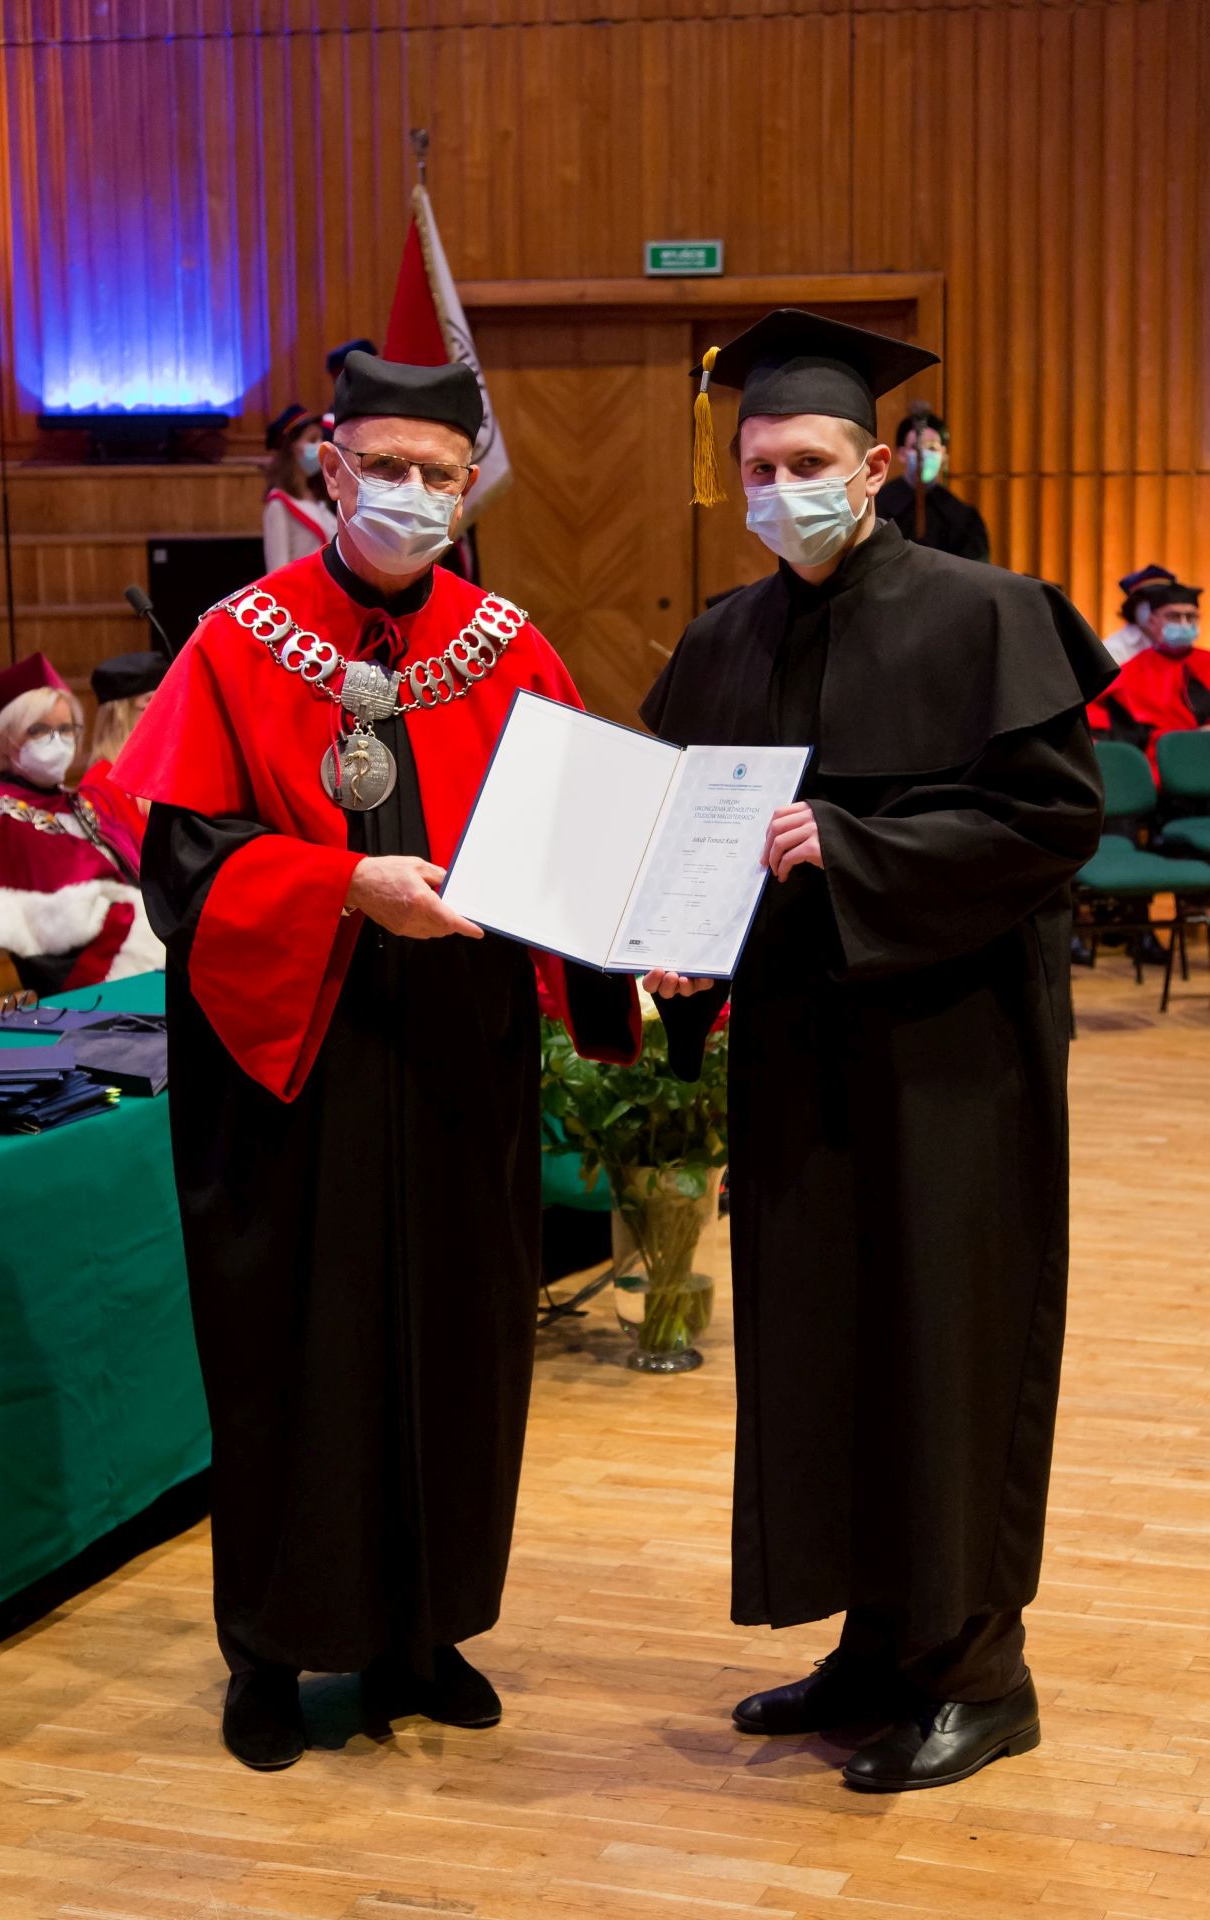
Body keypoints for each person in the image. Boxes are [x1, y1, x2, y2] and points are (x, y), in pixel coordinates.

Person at [111, 350, 639, 1773]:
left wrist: (639, 934)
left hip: (459, 1052)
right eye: (385, 467)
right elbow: (182, 864)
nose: (410, 493)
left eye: (438, 474)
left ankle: (425, 1635)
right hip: (292, 1062)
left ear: (470, 489)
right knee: (292, 1349)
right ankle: (270, 1655)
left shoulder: (509, 645)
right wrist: (345, 886)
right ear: (331, 468)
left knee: (460, 1340)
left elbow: (577, 840)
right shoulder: (238, 640)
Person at [642, 310, 1115, 1793]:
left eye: (810, 461)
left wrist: (851, 848)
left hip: (953, 1054)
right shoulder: (722, 639)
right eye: (758, 466)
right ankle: (869, 1643)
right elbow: (691, 840)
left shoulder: (988, 614)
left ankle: (978, 1672)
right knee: (823, 1339)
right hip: (800, 1058)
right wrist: (675, 947)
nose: (784, 488)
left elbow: (1052, 823)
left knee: (947, 1341)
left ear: (875, 465)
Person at [0, 653, 163, 992]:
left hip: (127, 940)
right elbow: (44, 939)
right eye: (40, 730)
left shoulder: (68, 801)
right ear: (7, 739)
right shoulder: (5, 817)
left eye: (66, 730)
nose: (57, 740)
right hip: (89, 973)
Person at [1087, 580, 1207, 776]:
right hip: (1157, 773)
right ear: (1151, 621)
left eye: (1191, 617)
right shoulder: (1130, 672)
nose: (1185, 624)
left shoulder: (1206, 661)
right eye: (1174, 616)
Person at [78, 650, 168, 863]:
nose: (166, 714)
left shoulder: (166, 769)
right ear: (120, 717)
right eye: (150, 704)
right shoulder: (99, 786)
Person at [874, 406, 990, 561]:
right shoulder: (877, 506)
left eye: (932, 448)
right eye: (916, 447)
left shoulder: (962, 517)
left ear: (943, 454)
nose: (924, 454)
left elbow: (976, 569)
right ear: (901, 453)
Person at [261, 404, 337, 571]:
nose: (320, 445)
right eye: (312, 440)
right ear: (291, 448)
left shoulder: (317, 496)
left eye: (320, 438)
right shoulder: (279, 504)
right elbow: (277, 571)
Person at [1101, 563, 1176, 665]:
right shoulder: (1113, 649)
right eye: (1152, 603)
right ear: (1133, 607)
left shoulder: (1178, 643)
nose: (1160, 611)